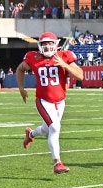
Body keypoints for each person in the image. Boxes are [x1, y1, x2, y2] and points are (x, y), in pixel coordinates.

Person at [17, 32, 84, 174]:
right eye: (44, 44)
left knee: (47, 130)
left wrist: (65, 65)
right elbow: (20, 69)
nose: (48, 46)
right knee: (54, 127)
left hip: (60, 101)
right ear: (40, 45)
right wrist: (21, 88)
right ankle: (57, 163)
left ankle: (31, 134)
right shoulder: (33, 57)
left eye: (50, 43)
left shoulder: (64, 56)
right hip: (43, 100)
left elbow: (80, 76)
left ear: (56, 44)